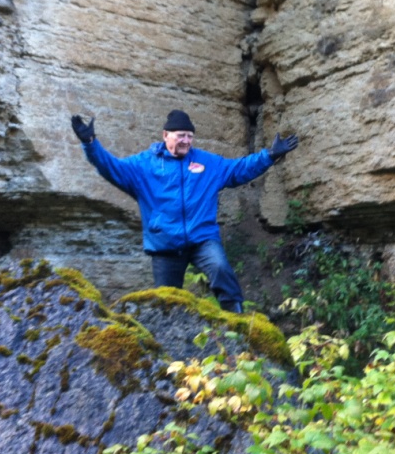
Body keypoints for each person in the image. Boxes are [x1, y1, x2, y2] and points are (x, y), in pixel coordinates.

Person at [71, 109, 298, 313]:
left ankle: (237, 322)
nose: (186, 141)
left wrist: (270, 155)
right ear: (165, 135)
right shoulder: (144, 165)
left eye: (190, 136)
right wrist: (90, 143)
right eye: (181, 135)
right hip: (165, 244)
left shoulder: (207, 163)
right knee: (167, 302)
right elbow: (111, 167)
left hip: (202, 239)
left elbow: (239, 169)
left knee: (220, 269)